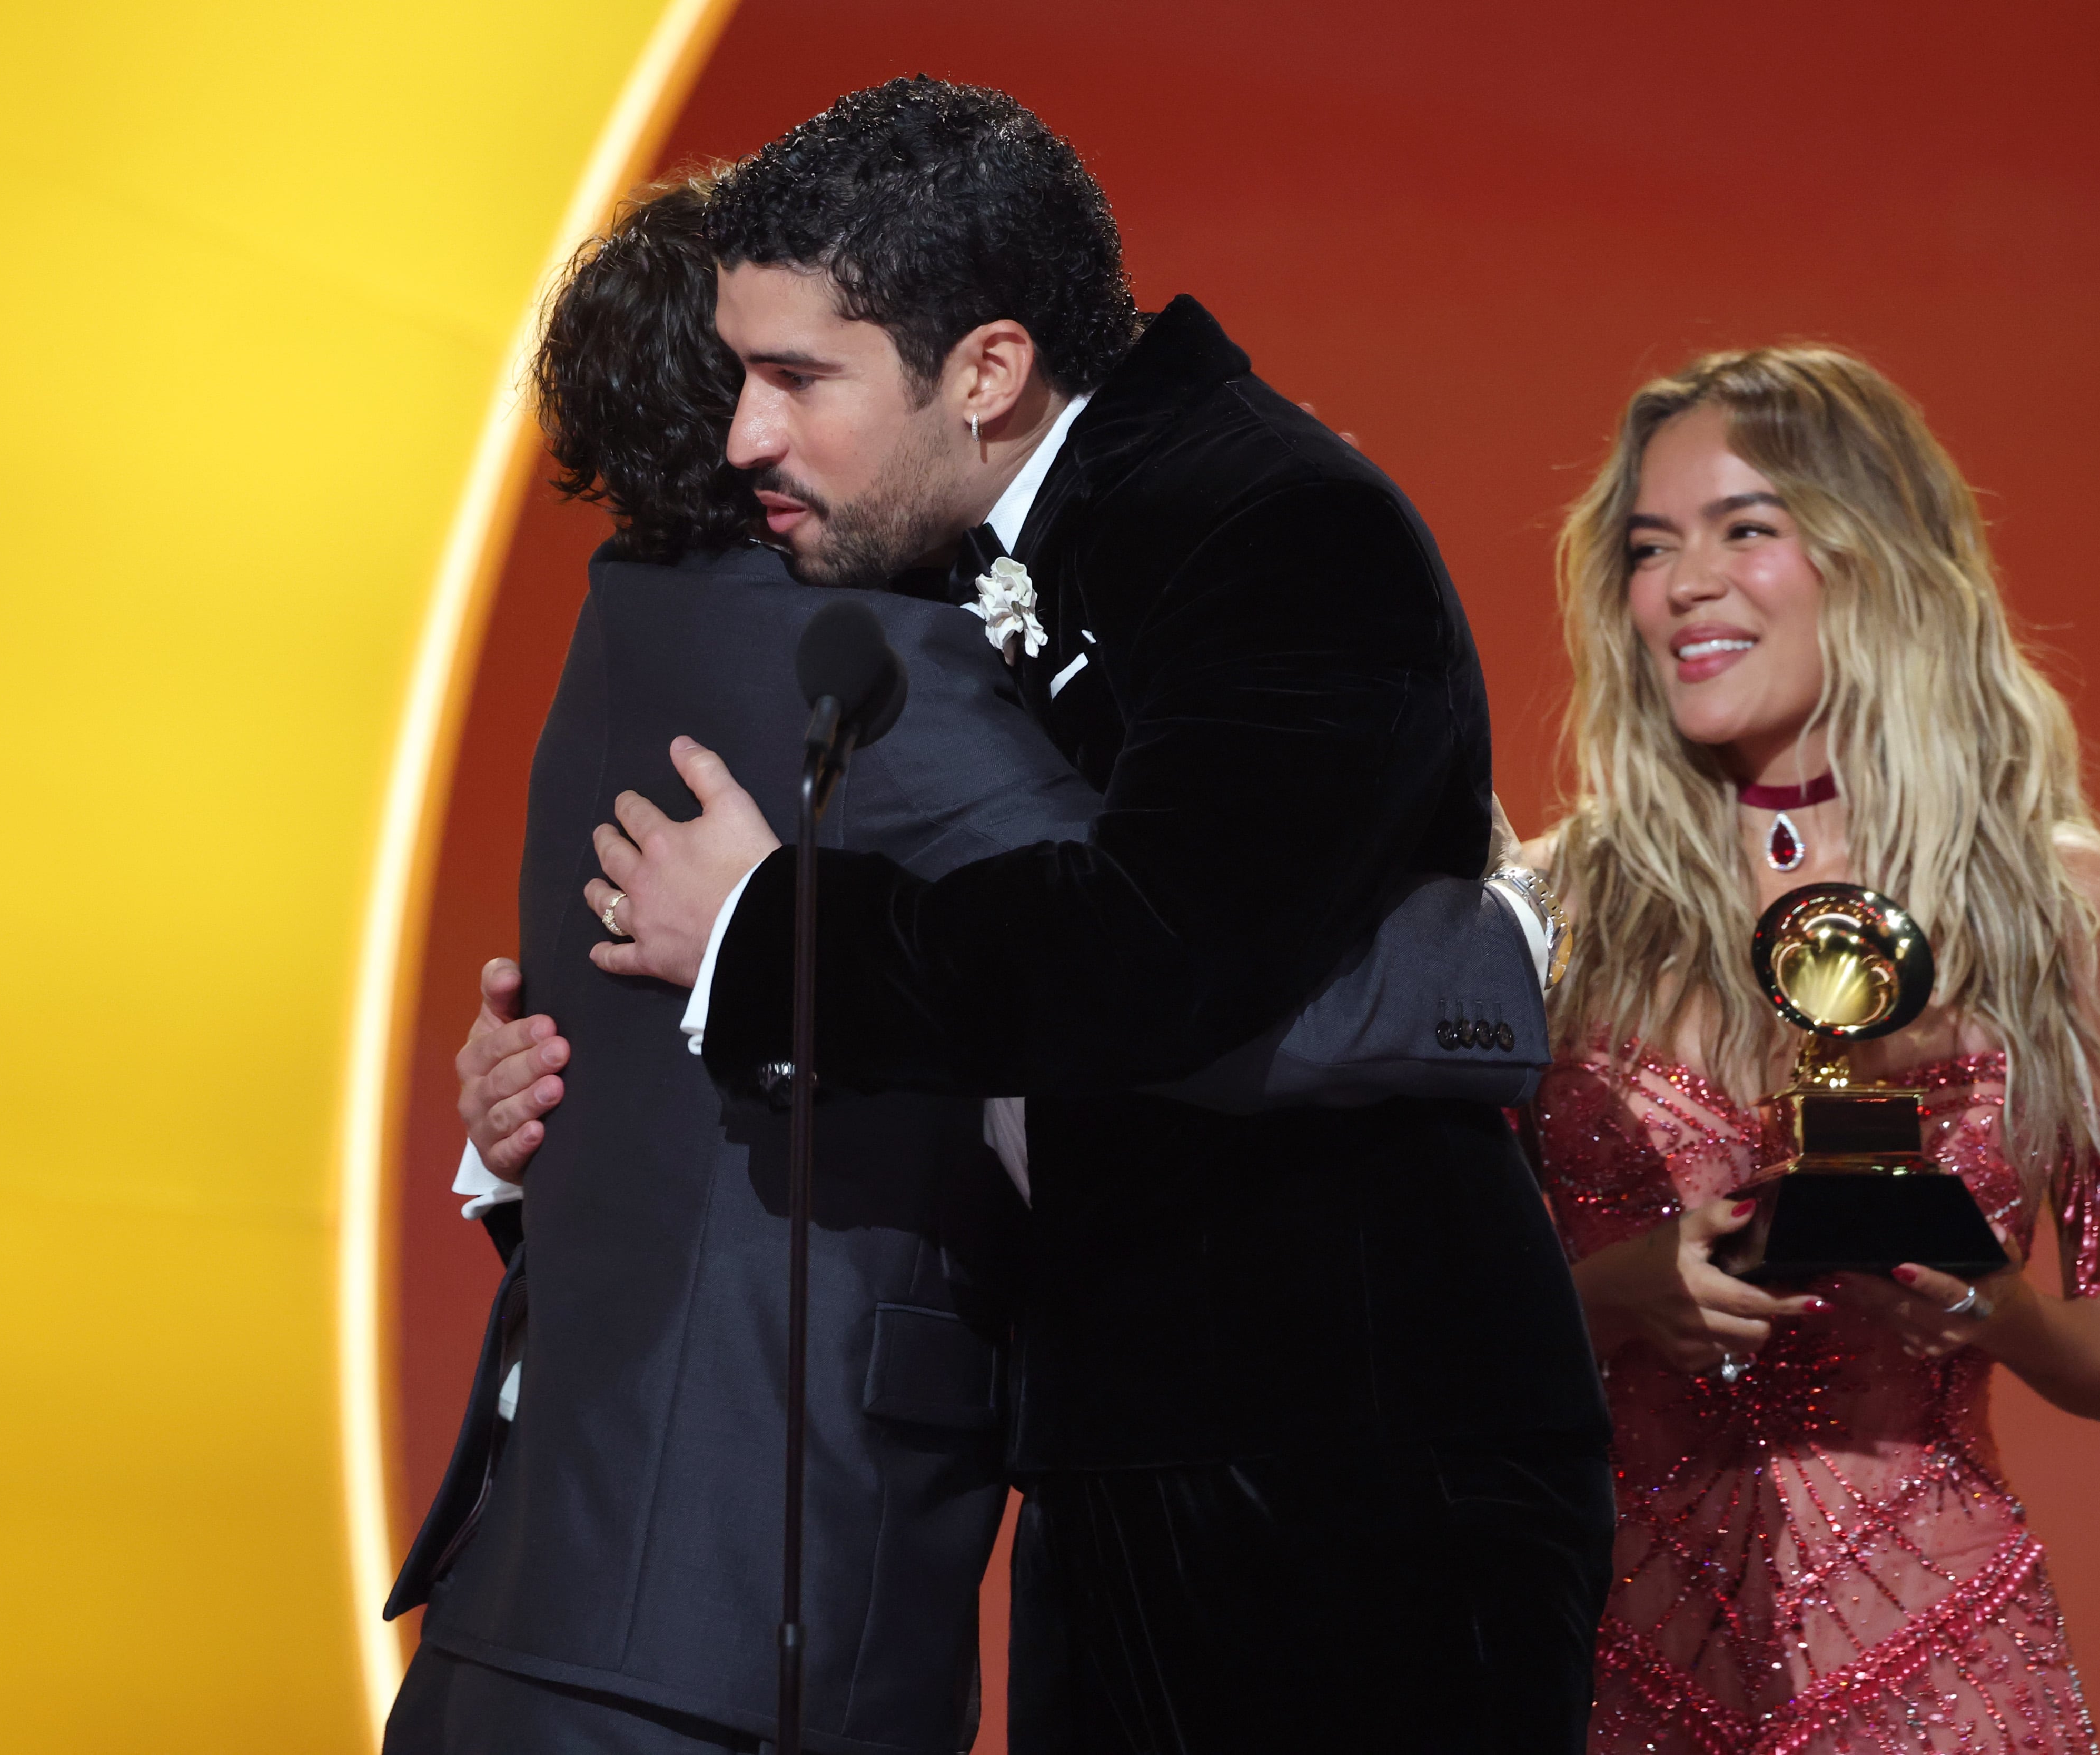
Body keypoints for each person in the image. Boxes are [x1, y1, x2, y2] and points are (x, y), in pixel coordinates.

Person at [399, 168, 1560, 1754]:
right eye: (784, 368)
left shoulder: (628, 627)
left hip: (551, 1608)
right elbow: (1158, 965)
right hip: (744, 1620)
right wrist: (1505, 954)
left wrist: (516, 1144)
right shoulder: (871, 674)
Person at [1519, 344, 2100, 1753]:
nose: (1685, 584)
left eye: (1746, 530)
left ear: (1875, 556)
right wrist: (1602, 1296)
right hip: (1609, 1661)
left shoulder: (2064, 913)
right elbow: (1427, 1310)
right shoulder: (1553, 912)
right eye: (1652, 548)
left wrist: (2009, 1317)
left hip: (1941, 1675)